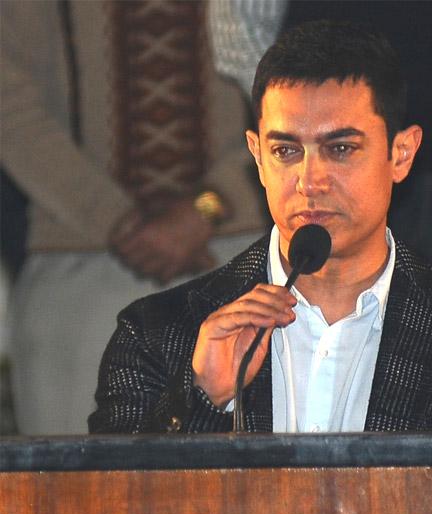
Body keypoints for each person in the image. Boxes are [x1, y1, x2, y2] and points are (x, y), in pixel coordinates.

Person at [89, 20, 432, 434]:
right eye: (286, 151)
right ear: (257, 157)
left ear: (401, 154)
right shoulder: (156, 336)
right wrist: (206, 395)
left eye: (341, 149)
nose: (310, 182)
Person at [1, 0, 268, 435]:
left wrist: (211, 204)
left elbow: (301, 83)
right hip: (78, 259)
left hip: (240, 249)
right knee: (69, 489)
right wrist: (115, 219)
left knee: (248, 489)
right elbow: (10, 101)